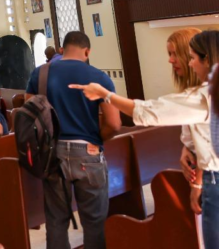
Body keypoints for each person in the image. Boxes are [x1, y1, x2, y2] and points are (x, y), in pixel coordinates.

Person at [70, 28, 216, 248]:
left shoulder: (204, 96)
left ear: (206, 60)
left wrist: (105, 94)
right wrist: (188, 147)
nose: (174, 61)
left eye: (191, 57)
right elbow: (203, 134)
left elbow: (149, 112)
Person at [25, 31, 120, 249]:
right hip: (88, 152)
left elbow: (28, 116)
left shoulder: (40, 74)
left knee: (56, 220)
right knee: (94, 221)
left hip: (53, 153)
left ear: (62, 49)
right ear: (87, 52)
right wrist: (96, 140)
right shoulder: (99, 77)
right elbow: (114, 124)